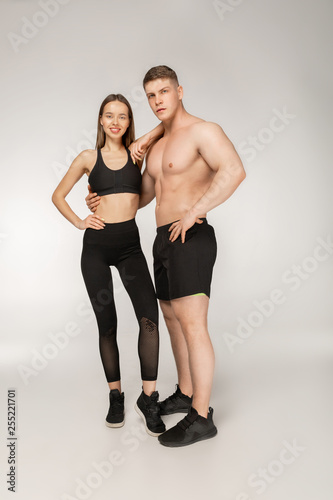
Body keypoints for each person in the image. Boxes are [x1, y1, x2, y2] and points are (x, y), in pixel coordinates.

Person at [87, 66, 246, 447]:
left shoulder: (204, 131)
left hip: (191, 235)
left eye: (164, 92)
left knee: (193, 325)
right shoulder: (157, 146)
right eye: (151, 95)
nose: (158, 100)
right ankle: (187, 392)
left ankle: (202, 416)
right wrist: (101, 200)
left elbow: (235, 170)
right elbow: (140, 198)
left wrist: (196, 210)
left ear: (179, 91)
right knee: (172, 321)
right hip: (161, 238)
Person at [52, 93, 166, 437]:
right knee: (108, 324)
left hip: (130, 246)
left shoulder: (137, 157)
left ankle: (148, 399)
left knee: (149, 319)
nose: (116, 122)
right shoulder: (88, 157)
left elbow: (141, 197)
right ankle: (116, 395)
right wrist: (79, 220)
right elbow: (57, 195)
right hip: (97, 249)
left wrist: (145, 140)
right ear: (101, 121)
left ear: (130, 122)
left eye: (123, 116)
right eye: (109, 116)